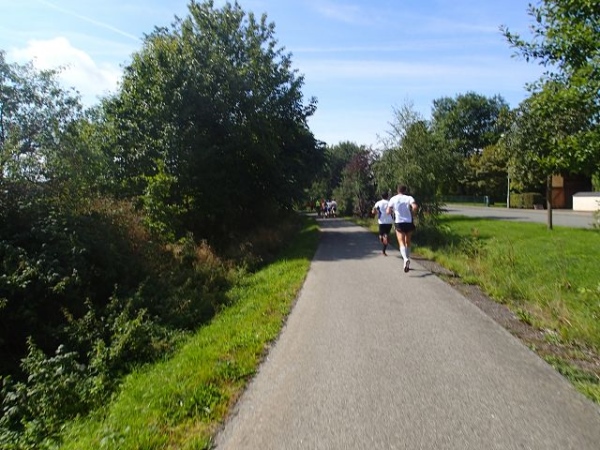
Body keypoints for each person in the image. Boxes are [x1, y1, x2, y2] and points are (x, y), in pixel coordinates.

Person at [386, 185, 418, 272]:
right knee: (408, 241)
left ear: (397, 190)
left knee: (401, 242)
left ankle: (405, 259)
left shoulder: (393, 199)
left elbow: (388, 211)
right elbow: (415, 207)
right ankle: (406, 261)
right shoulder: (409, 198)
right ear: (405, 190)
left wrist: (392, 211)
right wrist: (413, 213)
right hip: (408, 221)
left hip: (399, 222)